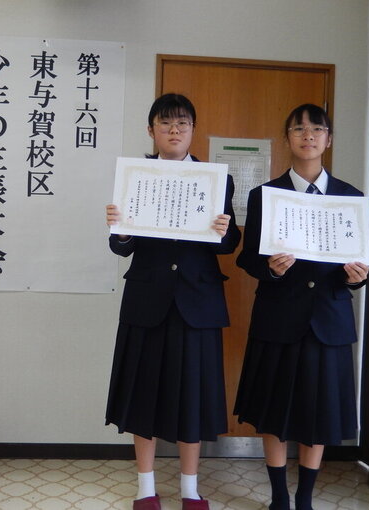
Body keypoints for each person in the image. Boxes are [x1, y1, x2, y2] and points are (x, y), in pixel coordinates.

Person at [105, 93, 241, 510]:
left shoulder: (216, 179)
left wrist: (224, 230)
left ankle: (190, 488)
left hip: (197, 301)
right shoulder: (135, 176)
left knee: (192, 397)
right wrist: (120, 230)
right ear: (151, 131)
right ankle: (145, 487)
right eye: (165, 123)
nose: (174, 130)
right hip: (147, 299)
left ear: (193, 130)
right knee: (142, 394)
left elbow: (229, 243)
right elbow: (122, 245)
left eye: (182, 123)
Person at [233, 104, 369, 510]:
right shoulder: (265, 195)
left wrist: (358, 277)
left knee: (318, 413)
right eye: (299, 129)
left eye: (317, 129)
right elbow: (247, 258)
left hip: (328, 319)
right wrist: (270, 269)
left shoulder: (352, 198)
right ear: (287, 138)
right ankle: (279, 497)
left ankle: (305, 498)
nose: (308, 135)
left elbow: (363, 265)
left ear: (328, 139)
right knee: (274, 410)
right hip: (278, 317)